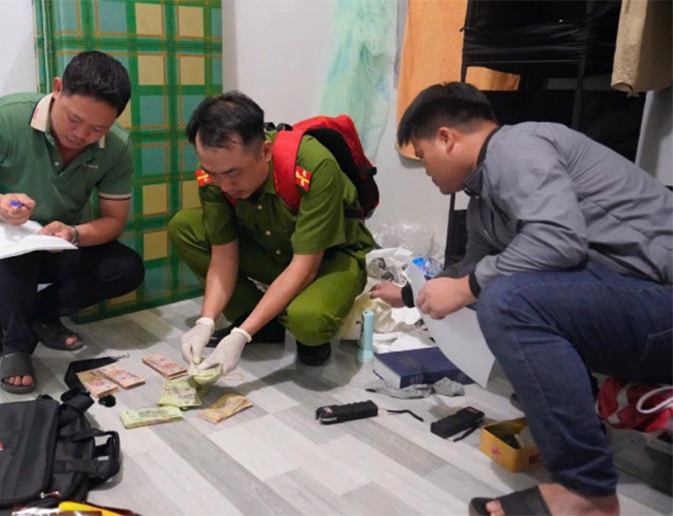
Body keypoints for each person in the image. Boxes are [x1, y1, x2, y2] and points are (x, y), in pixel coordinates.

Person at [372, 82, 672, 516]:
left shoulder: (516, 147)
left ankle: (584, 489)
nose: (426, 171)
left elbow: (558, 239)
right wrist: (409, 294)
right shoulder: (483, 204)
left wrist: (469, 287)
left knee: (507, 301)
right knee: (500, 291)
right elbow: (468, 269)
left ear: (446, 137)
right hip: (635, 304)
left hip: (661, 297)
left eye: (422, 155)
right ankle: (584, 441)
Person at [0, 50, 145, 394]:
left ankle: (40, 314)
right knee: (13, 257)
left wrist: (74, 233)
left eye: (98, 128)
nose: (81, 134)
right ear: (57, 88)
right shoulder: (6, 117)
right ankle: (17, 345)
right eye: (73, 119)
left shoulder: (117, 146)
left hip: (55, 246)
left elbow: (114, 221)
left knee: (127, 267)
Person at [169, 91, 375, 374]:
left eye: (233, 174)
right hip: (273, 249)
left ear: (265, 151)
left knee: (308, 320)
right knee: (184, 226)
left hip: (327, 258)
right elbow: (224, 254)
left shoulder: (312, 164)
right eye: (214, 174)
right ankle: (260, 322)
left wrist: (241, 335)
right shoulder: (215, 172)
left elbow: (305, 266)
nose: (224, 185)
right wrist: (205, 321)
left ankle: (295, 326)